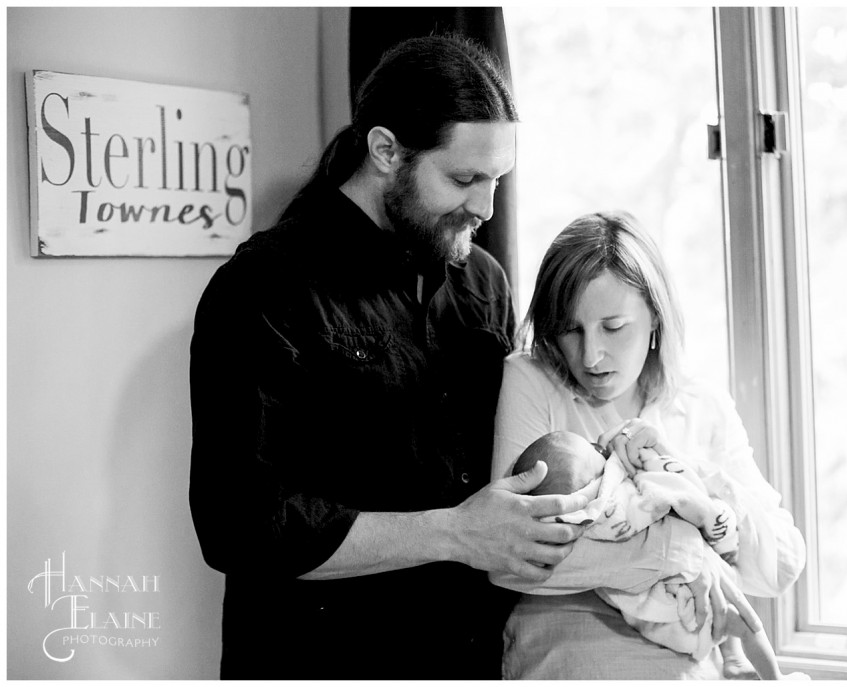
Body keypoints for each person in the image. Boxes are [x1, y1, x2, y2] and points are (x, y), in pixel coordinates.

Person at [188, 35, 589, 680]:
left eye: (496, 181)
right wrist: (455, 533)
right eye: (463, 179)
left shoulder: (482, 282)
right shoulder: (262, 290)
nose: (485, 208)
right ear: (385, 151)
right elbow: (240, 523)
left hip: (469, 657)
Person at [490, 210, 808, 679]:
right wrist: (686, 555)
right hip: (572, 658)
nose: (591, 356)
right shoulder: (532, 380)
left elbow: (782, 564)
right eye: (570, 330)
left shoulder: (701, 404)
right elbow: (509, 556)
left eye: (613, 327)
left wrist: (702, 488)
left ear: (655, 316)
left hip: (692, 659)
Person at [504, 429, 808, 681]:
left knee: (726, 606)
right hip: (668, 594)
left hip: (648, 614)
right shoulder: (614, 500)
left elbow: (783, 567)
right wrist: (704, 526)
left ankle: (733, 658)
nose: (599, 450)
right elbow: (672, 495)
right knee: (744, 622)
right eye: (593, 454)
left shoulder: (581, 523)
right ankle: (774, 678)